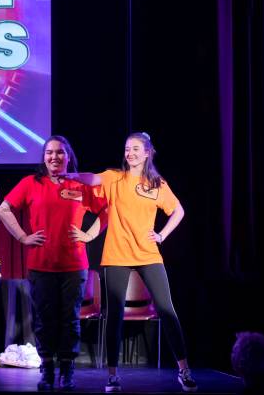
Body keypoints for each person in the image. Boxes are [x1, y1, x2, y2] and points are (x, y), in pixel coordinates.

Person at [63, 132, 197, 393]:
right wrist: (71, 175)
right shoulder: (116, 178)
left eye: (136, 149)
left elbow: (178, 210)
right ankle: (113, 375)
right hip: (116, 255)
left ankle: (184, 370)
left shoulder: (157, 183)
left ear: (147, 153)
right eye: (127, 149)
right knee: (114, 315)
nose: (130, 153)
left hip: (148, 254)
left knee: (167, 310)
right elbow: (92, 178)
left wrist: (162, 235)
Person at [0, 135, 106, 391]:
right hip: (41, 264)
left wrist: (89, 235)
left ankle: (67, 371)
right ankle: (47, 371)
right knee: (44, 320)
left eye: (60, 152)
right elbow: (3, 209)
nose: (54, 157)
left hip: (74, 265)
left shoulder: (79, 185)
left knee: (70, 319)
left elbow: (107, 210)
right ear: (44, 157)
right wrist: (23, 236)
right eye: (49, 152)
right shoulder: (31, 183)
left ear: (68, 157)